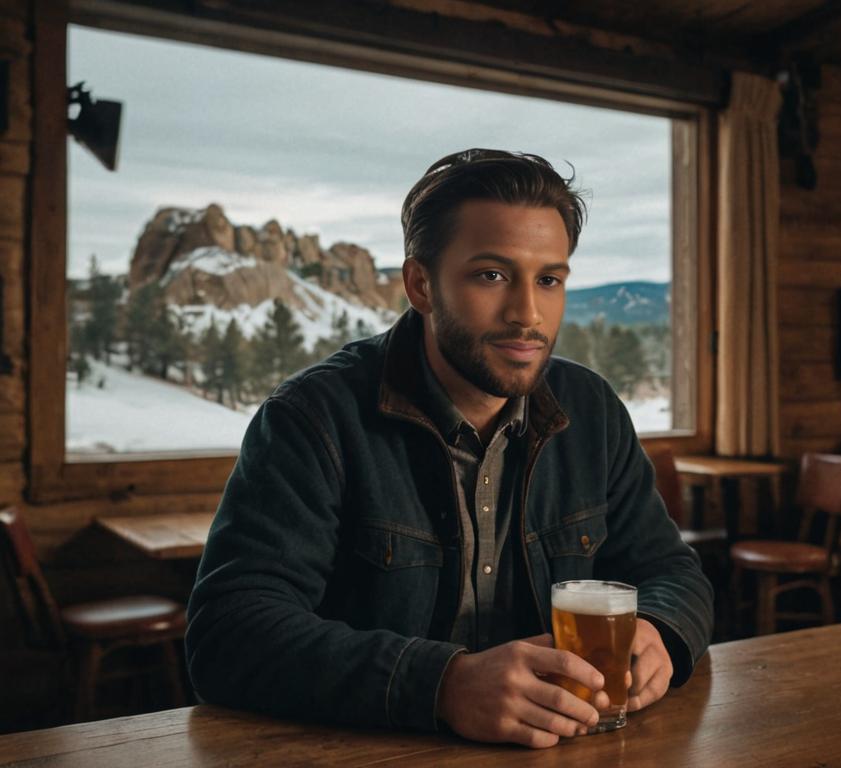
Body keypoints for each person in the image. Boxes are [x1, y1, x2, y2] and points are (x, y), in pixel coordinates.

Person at [186, 148, 714, 749]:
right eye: (491, 275)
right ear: (421, 284)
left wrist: (661, 632)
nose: (528, 314)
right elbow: (228, 634)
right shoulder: (314, 417)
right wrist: (444, 685)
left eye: (549, 279)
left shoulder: (592, 410)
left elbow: (674, 573)